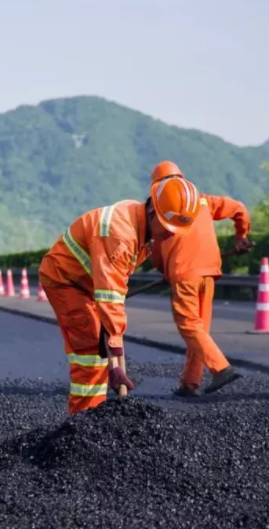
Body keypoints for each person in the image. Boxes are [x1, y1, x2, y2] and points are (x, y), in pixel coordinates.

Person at [38, 177, 202, 415]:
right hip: (66, 281)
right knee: (91, 355)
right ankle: (82, 424)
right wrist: (115, 355)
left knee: (101, 344)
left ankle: (90, 418)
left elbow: (114, 289)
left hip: (90, 284)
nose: (170, 236)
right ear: (153, 211)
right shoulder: (119, 235)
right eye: (168, 229)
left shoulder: (140, 224)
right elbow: (111, 298)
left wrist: (112, 344)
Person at [148, 161, 253, 397]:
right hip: (209, 272)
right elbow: (238, 209)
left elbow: (155, 251)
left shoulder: (161, 210)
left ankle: (221, 369)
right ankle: (189, 383)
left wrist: (166, 272)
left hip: (185, 274)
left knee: (188, 324)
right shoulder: (203, 200)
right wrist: (241, 236)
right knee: (199, 329)